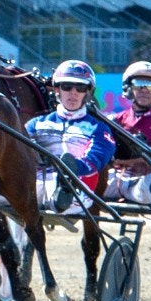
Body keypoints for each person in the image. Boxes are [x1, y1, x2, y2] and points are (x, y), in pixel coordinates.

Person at [25, 59, 116, 215]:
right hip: (35, 182)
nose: (73, 92)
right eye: (67, 86)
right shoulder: (36, 124)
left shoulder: (99, 128)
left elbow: (97, 158)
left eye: (80, 87)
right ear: (57, 90)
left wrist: (71, 168)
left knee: (37, 191)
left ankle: (61, 191)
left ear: (88, 92)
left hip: (78, 185)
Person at [103, 60, 151, 213]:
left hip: (143, 184)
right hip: (112, 180)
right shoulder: (112, 122)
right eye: (139, 84)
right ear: (128, 88)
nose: (144, 90)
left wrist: (122, 161)